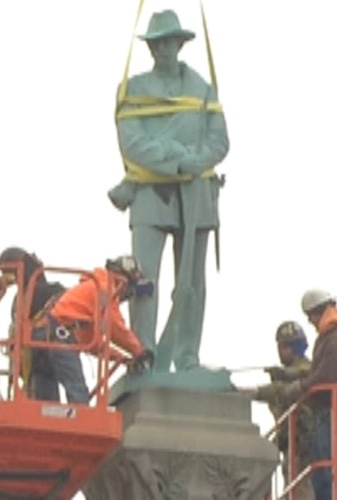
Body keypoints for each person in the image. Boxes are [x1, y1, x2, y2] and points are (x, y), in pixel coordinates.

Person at [109, 8, 230, 372]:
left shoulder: (202, 89)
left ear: (180, 43)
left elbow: (220, 140)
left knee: (193, 283)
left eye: (169, 42)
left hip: (196, 197)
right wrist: (176, 158)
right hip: (150, 196)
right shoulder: (134, 89)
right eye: (157, 43)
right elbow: (132, 141)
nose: (163, 49)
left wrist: (199, 160)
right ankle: (143, 353)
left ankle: (186, 355)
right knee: (143, 280)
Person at [31, 255, 155, 404]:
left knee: (45, 406)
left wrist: (123, 359)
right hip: (59, 339)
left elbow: (95, 344)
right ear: (124, 280)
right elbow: (114, 326)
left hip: (43, 339)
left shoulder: (92, 292)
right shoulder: (105, 288)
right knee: (78, 396)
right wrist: (139, 351)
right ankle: (78, 424)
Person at [282, 289, 337, 500]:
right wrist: (294, 374)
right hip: (327, 416)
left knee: (332, 475)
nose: (310, 321)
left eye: (311, 316)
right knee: (323, 473)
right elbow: (319, 372)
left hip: (334, 415)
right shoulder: (330, 338)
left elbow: (326, 378)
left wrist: (300, 387)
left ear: (319, 311)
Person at [247, 321, 316, 500]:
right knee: (291, 478)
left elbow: (280, 389)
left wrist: (249, 392)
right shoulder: (291, 373)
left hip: (304, 439)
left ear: (294, 348)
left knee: (299, 482)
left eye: (284, 346)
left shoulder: (306, 369)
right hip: (291, 441)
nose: (281, 351)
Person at [0, 247, 67, 399]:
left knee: (44, 395)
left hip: (35, 358)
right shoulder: (47, 291)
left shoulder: (23, 299)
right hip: (42, 355)